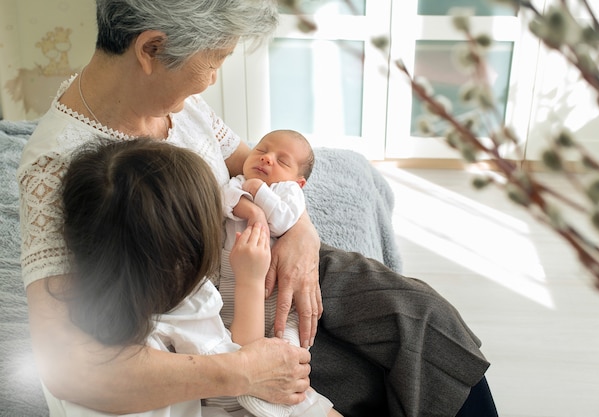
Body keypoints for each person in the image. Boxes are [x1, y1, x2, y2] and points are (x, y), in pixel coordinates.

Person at [17, 1, 498, 416]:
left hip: (264, 248)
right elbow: (69, 366)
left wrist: (302, 233)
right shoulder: (57, 165)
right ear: (152, 49)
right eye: (217, 59)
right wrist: (242, 371)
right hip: (218, 311)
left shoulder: (175, 103)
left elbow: (254, 163)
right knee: (365, 383)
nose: (213, 79)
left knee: (425, 317)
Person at [57, 138, 340, 417]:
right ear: (187, 248)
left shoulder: (84, 320)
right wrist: (250, 282)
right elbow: (249, 380)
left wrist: (302, 230)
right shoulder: (190, 308)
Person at [219, 129, 315, 350]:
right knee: (230, 341)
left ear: (299, 182)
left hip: (279, 289)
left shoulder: (289, 191)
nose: (266, 158)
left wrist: (259, 190)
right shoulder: (239, 180)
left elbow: (281, 220)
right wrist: (254, 213)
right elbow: (225, 201)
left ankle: (298, 380)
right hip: (232, 281)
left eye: (282, 161)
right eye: (261, 150)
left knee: (290, 344)